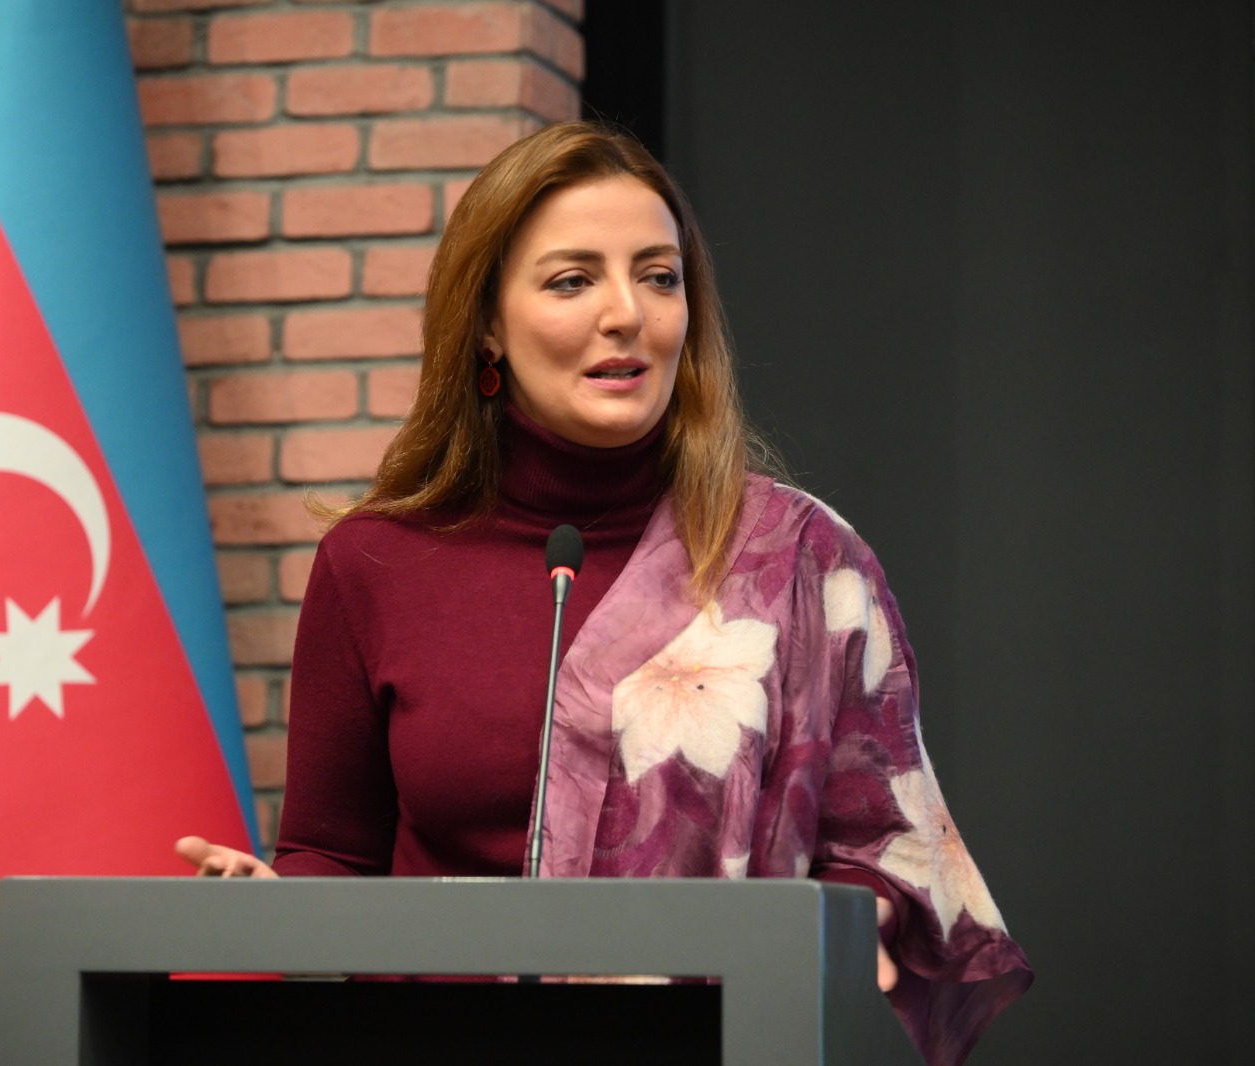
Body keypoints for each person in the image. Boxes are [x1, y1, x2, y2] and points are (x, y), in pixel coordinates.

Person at [178, 121, 1031, 1064]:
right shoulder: (374, 562)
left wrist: (849, 927)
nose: (628, 313)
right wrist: (276, 909)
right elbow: (333, 857)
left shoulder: (803, 559)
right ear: (487, 322)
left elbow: (883, 855)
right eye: (572, 280)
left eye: (659, 277)